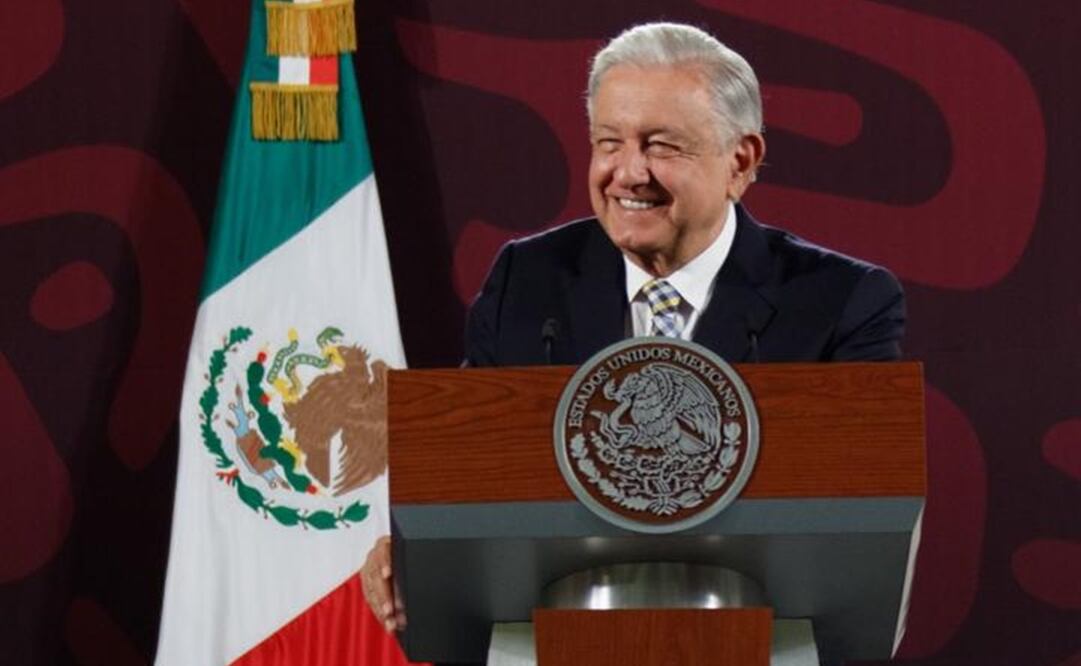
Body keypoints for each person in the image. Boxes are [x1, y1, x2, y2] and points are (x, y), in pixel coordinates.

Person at [362, 20, 905, 640]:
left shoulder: (840, 301)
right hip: (550, 640)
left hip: (760, 642)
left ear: (741, 160)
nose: (628, 173)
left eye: (662, 146)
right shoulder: (528, 279)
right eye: (609, 142)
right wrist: (415, 552)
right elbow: (466, 475)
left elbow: (861, 507)